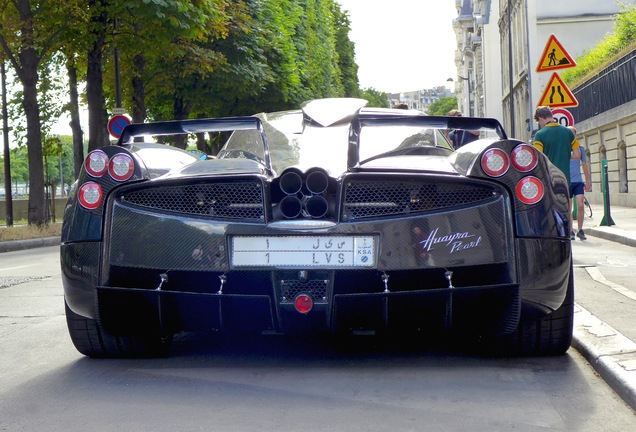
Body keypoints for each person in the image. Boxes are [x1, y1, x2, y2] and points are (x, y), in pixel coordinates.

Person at [532, 106, 581, 237]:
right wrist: (565, 154)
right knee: (567, 207)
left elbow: (538, 158)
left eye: (539, 122)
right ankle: (569, 231)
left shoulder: (540, 135)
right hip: (565, 178)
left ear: (542, 118)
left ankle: (554, 233)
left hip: (548, 178)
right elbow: (577, 154)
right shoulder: (568, 132)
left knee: (550, 208)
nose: (540, 124)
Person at [568, 126, 591, 240]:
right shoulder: (564, 148)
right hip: (567, 181)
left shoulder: (580, 148)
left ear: (575, 135)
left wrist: (587, 181)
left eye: (572, 134)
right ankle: (571, 230)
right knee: (568, 207)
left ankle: (580, 230)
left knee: (581, 205)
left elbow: (585, 165)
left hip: (578, 181)